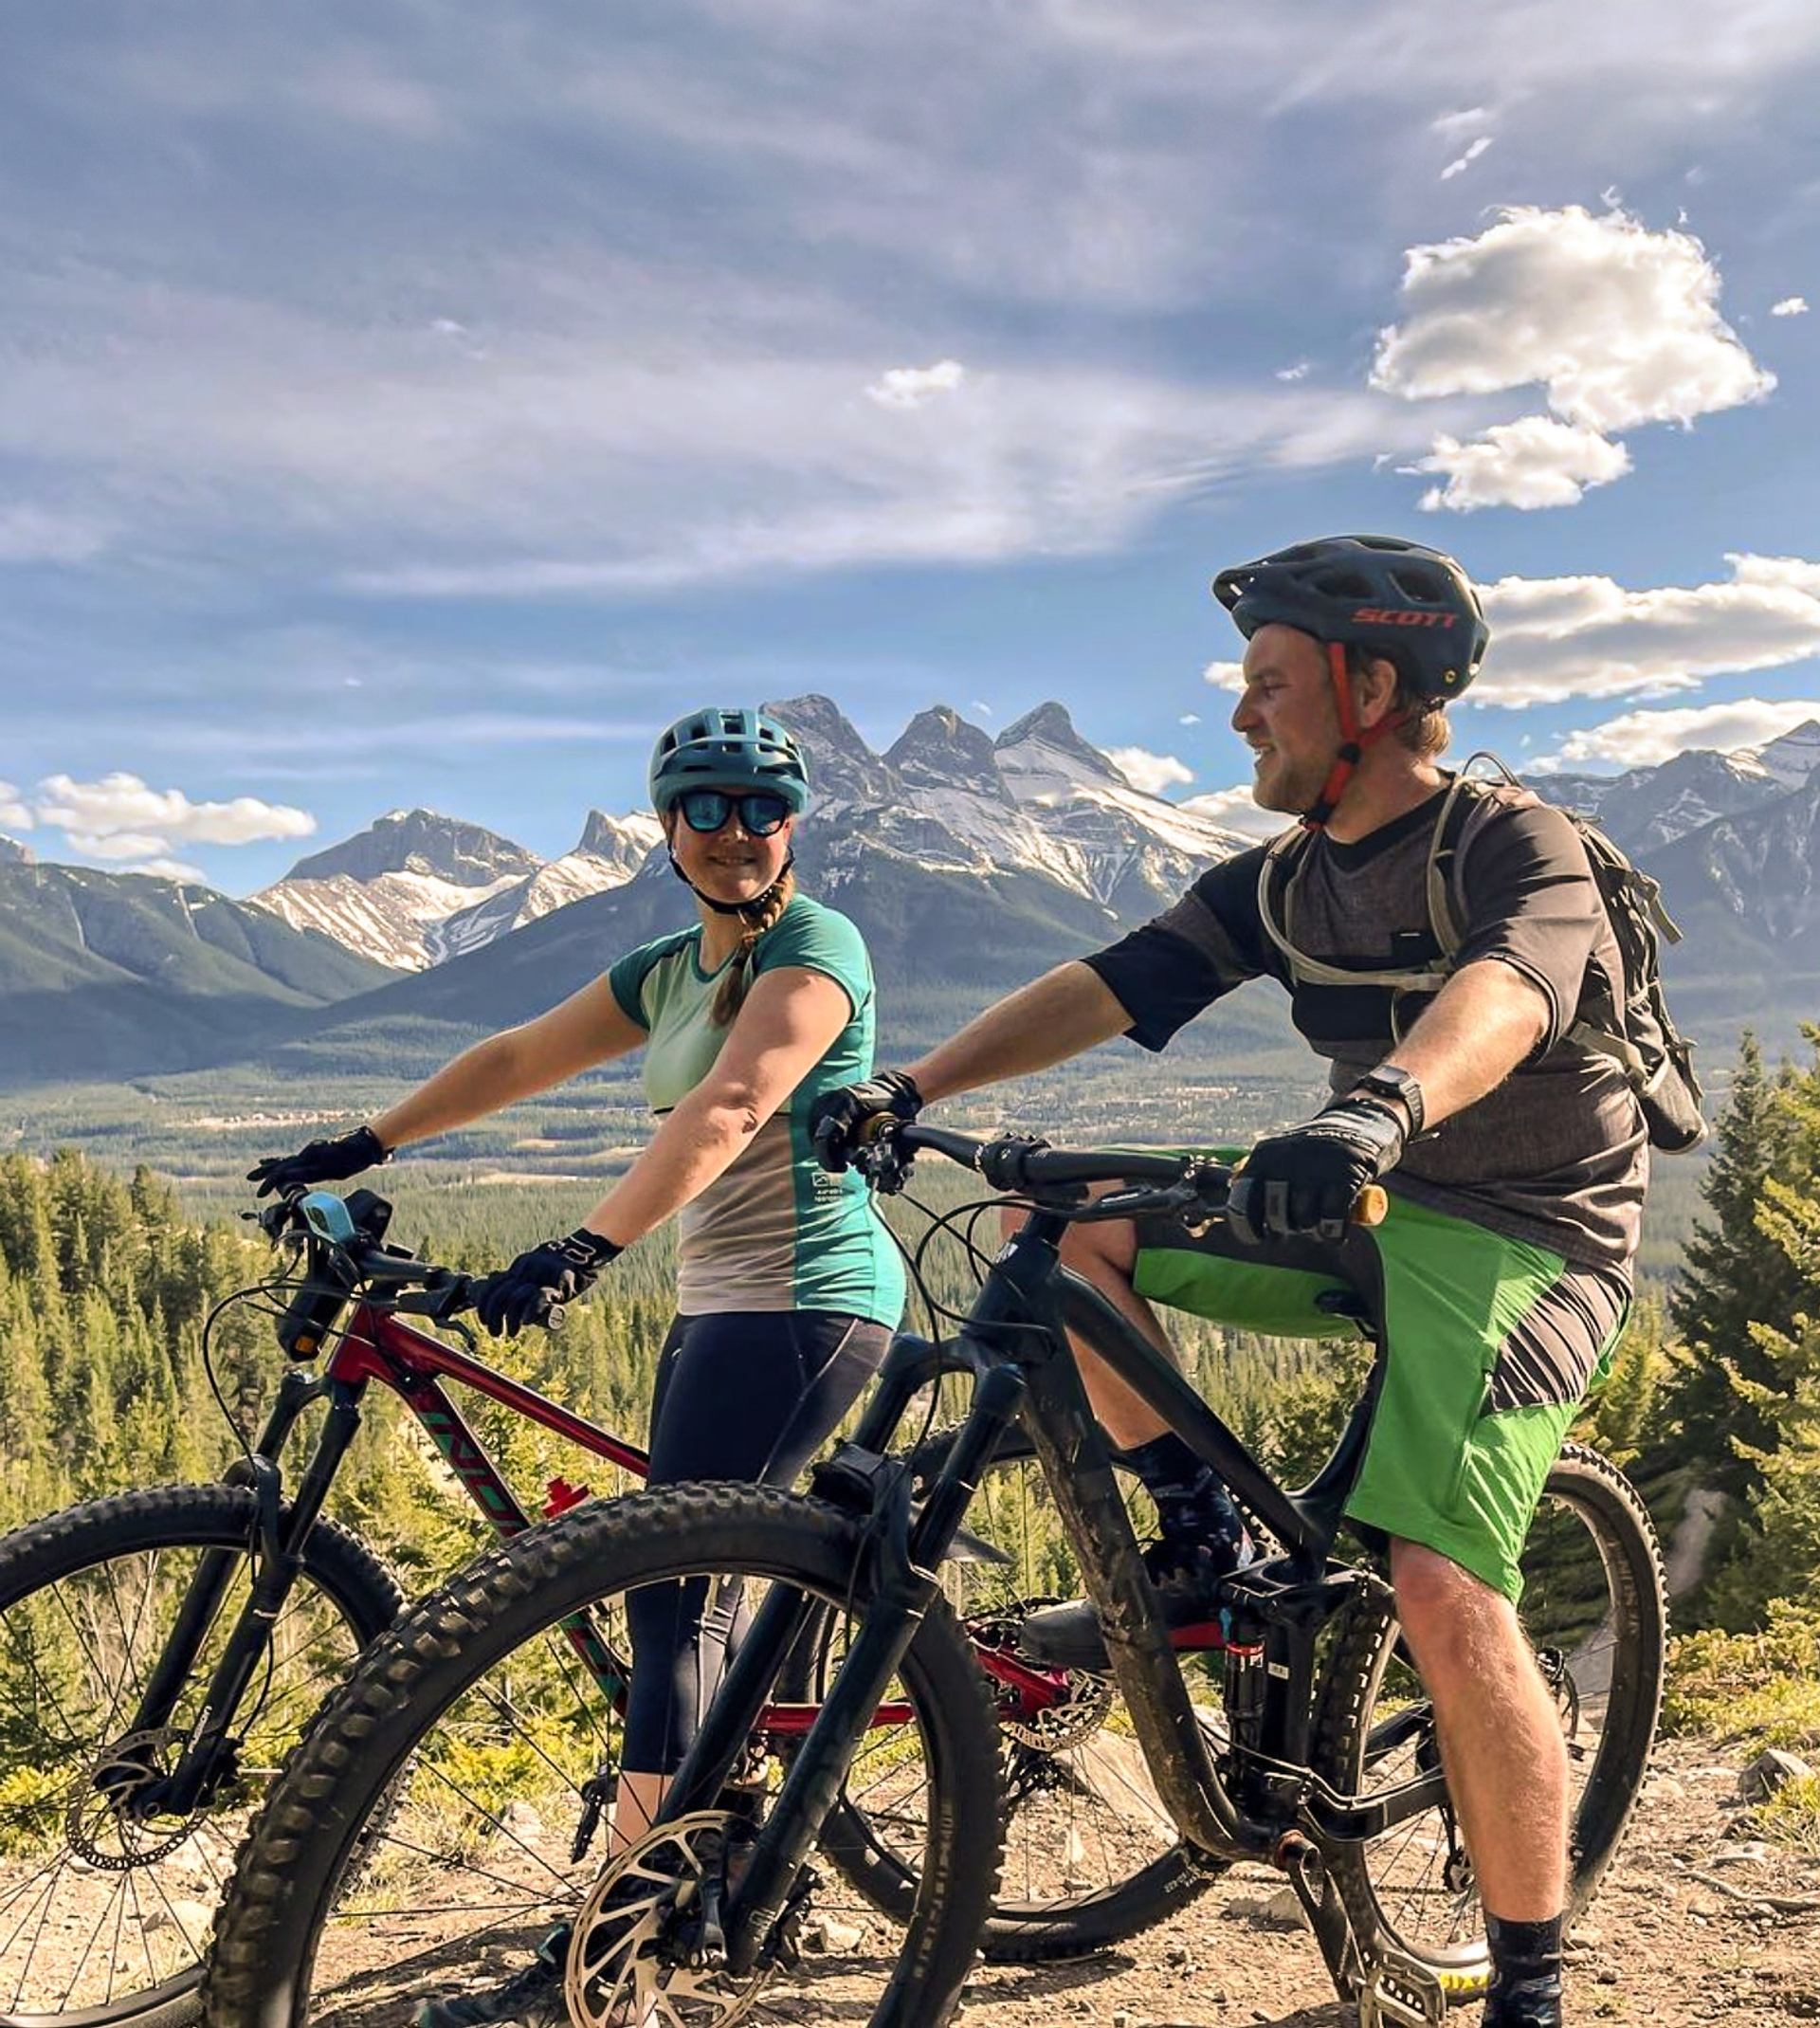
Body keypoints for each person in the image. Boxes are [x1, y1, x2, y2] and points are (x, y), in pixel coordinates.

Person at [811, 536, 1644, 2028]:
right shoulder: (1280, 881)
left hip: (1527, 1229)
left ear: (1369, 686)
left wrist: (1376, 1107)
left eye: (1267, 684)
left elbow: (1507, 991)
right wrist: (912, 1081)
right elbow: (1115, 980)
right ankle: (1196, 1543)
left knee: (1445, 1583)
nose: (1242, 714)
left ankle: (1528, 1980)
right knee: (1066, 1231)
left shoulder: (1514, 845)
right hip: (1362, 1189)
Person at [248, 705, 904, 2028]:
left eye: (758, 810)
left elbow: (732, 1106)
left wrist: (581, 1248)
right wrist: (359, 1146)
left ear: (793, 826)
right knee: (708, 1585)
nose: (732, 835)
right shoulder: (670, 967)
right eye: (704, 809)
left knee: (678, 1600)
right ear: (666, 827)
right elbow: (515, 1058)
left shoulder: (819, 949)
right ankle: (726, 1846)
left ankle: (611, 1948)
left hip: (809, 1299)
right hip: (719, 1302)